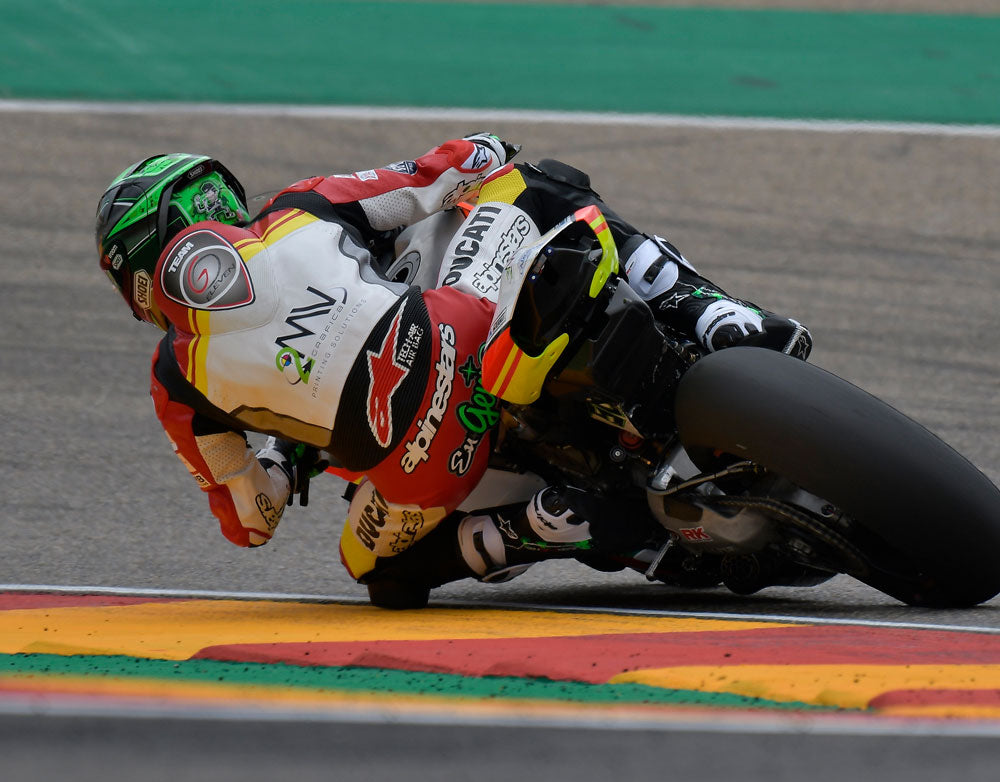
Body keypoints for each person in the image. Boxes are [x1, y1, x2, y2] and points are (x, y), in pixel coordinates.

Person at [96, 136, 811, 607]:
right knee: (538, 185)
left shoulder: (175, 380)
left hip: (425, 466)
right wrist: (483, 147)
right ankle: (713, 313)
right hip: (465, 333)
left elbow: (252, 523)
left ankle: (550, 524)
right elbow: (440, 174)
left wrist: (283, 455)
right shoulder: (297, 210)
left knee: (375, 571)